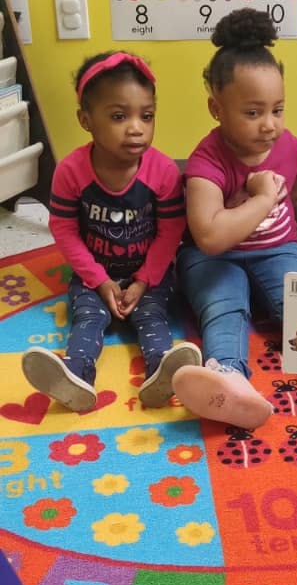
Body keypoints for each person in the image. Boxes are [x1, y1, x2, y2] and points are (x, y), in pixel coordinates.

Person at [22, 52, 200, 413]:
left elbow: (171, 231)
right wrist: (100, 281)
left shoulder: (163, 171)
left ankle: (162, 373)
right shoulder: (71, 171)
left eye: (146, 116)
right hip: (94, 275)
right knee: (89, 318)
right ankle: (74, 375)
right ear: (86, 120)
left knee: (151, 317)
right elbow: (64, 229)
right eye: (119, 116)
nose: (136, 127)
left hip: (148, 274)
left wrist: (144, 281)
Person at [171, 8, 297, 429]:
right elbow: (210, 237)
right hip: (216, 258)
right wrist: (259, 199)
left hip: (278, 248)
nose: (269, 125)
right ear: (216, 108)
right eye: (253, 113)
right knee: (225, 309)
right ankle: (228, 380)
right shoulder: (206, 161)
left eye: (278, 109)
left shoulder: (288, 145)